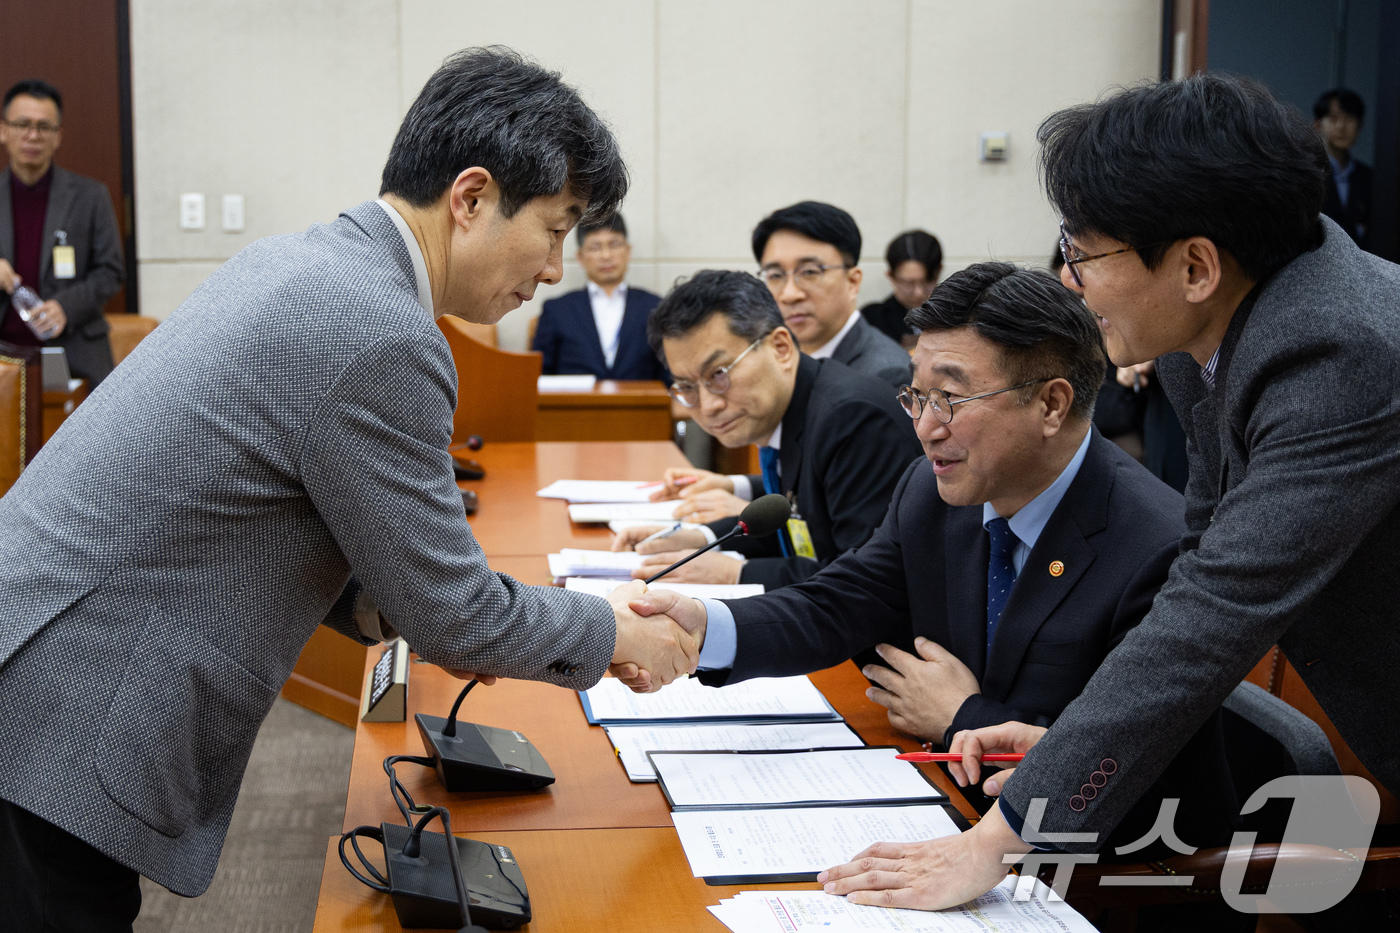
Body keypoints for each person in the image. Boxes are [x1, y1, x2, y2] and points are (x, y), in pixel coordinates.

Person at [0, 48, 697, 930]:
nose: (556, 265)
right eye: (556, 228)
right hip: (60, 712)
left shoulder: (307, 262)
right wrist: (613, 629)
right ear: (472, 197)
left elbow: (270, 515)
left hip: (38, 665)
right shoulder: (379, 330)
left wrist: (406, 602)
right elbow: (458, 617)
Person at [808, 72, 1400, 913]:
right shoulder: (1219, 336)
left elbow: (1210, 616)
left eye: (1084, 254)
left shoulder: (1342, 352)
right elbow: (1205, 559)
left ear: (1195, 264)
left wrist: (996, 837)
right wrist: (1063, 751)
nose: (1071, 282)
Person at [622, 263, 1237, 867]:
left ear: (1052, 405)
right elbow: (844, 599)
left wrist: (963, 718)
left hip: (1097, 872)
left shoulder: (1159, 546)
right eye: (916, 395)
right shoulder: (934, 490)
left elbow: (1125, 774)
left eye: (949, 397)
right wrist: (702, 630)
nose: (924, 427)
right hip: (948, 813)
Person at [612, 269, 919, 589]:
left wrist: (735, 574)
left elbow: (862, 583)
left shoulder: (853, 420)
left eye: (719, 374)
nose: (708, 405)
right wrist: (698, 539)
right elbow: (801, 528)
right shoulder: (800, 411)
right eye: (687, 386)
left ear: (781, 348)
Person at [0, 79, 125, 386]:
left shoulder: (90, 195)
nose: (33, 135)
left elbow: (111, 271)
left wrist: (66, 307)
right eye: (22, 124)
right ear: (4, 130)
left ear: (58, 137)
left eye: (44, 127)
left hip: (75, 348)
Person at [754, 201, 911, 385]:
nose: (789, 294)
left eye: (809, 272)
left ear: (853, 281)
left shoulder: (885, 376)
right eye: (775, 275)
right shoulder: (767, 359)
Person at [530, 212, 666, 381]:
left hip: (639, 405)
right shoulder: (556, 310)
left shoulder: (656, 307)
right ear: (580, 257)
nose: (606, 256)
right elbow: (539, 376)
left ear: (627, 251)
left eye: (614, 244)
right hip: (576, 406)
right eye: (595, 247)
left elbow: (669, 373)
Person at [861, 229, 942, 349]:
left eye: (927, 281)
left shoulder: (954, 316)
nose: (918, 292)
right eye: (909, 283)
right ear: (891, 276)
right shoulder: (873, 320)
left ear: (939, 272)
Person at [1313, 87, 1372, 251]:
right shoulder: (1307, 171)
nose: (1341, 126)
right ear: (1318, 124)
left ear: (1359, 126)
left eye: (1349, 119)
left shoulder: (1370, 178)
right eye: (1333, 118)